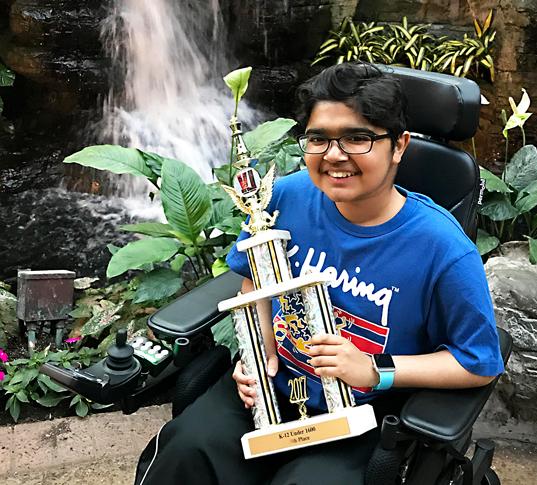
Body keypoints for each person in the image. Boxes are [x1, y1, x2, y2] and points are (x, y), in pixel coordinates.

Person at [134, 62, 504, 485]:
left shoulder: (442, 247)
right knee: (186, 451)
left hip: (365, 411)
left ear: (399, 146)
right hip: (272, 389)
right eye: (319, 138)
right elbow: (255, 275)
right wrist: (259, 352)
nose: (334, 155)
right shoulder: (283, 197)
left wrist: (375, 370)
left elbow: (478, 362)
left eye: (357, 138)